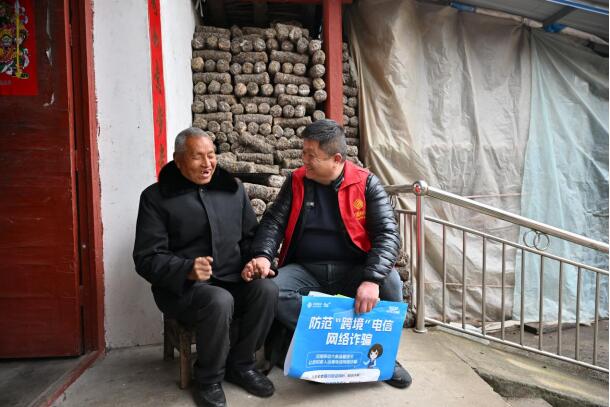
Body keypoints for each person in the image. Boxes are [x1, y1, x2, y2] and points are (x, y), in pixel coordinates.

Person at [247, 119, 412, 389]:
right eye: (303, 153)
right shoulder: (297, 180)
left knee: (391, 282)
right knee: (271, 290)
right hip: (306, 270)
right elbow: (274, 221)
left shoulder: (366, 183)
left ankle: (384, 357)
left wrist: (371, 279)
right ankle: (325, 345)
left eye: (311, 155)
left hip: (353, 270)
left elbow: (388, 234)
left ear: (336, 159)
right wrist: (264, 255)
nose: (304, 161)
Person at [133, 127, 278, 407]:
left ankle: (241, 364)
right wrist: (186, 268)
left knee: (267, 290)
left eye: (211, 155)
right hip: (183, 290)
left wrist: (255, 260)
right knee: (219, 299)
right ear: (178, 161)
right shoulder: (155, 197)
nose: (207, 163)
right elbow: (146, 258)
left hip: (232, 278)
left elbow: (251, 237)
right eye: (197, 156)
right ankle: (208, 378)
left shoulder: (233, 189)